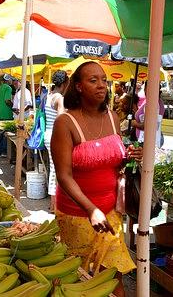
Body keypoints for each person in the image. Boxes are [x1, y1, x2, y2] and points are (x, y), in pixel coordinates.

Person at [51, 62, 140, 297]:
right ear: (78, 87)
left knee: (113, 279)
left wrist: (129, 157)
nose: (101, 85)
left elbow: (113, 161)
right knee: (83, 282)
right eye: (93, 80)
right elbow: (63, 176)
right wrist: (91, 209)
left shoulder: (112, 117)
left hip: (110, 213)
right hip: (77, 215)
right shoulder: (65, 123)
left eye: (103, 79)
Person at [44, 70, 69, 211]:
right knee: (57, 170)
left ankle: (53, 204)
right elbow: (61, 119)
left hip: (48, 134)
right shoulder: (59, 97)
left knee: (53, 169)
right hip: (55, 136)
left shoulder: (49, 95)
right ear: (64, 83)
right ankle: (55, 205)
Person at [0, 74, 14, 157]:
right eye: (11, 79)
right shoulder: (8, 88)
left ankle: (0, 152)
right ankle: (3, 151)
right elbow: (7, 100)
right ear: (8, 80)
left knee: (1, 133)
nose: (12, 81)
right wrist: (13, 106)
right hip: (6, 113)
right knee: (6, 134)